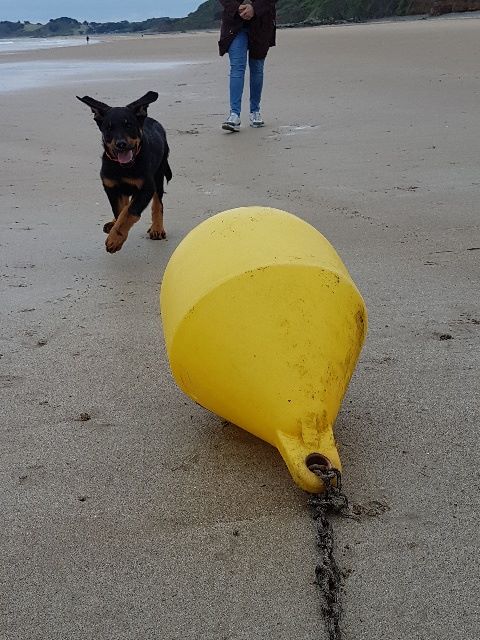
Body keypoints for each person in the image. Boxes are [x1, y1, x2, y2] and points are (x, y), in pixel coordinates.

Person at [218, 1, 276, 132]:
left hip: (262, 23)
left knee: (257, 68)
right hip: (235, 23)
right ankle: (234, 115)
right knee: (237, 68)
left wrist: (254, 8)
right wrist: (237, 8)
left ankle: (255, 111)